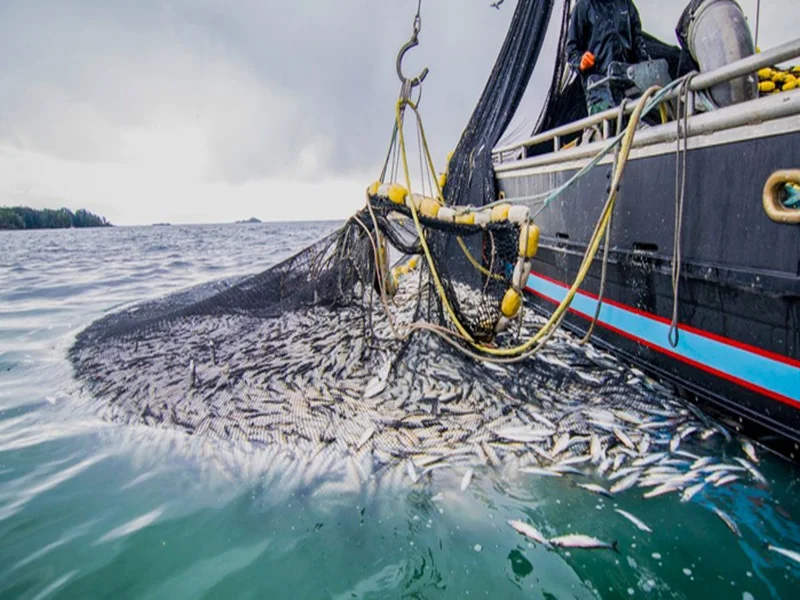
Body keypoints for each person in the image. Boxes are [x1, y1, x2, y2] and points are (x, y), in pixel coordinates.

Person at [566, 0, 651, 115]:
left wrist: (648, 69)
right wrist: (581, 61)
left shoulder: (626, 5)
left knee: (638, 125)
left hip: (629, 85)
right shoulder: (582, 7)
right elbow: (571, 52)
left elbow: (639, 44)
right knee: (605, 128)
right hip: (598, 92)